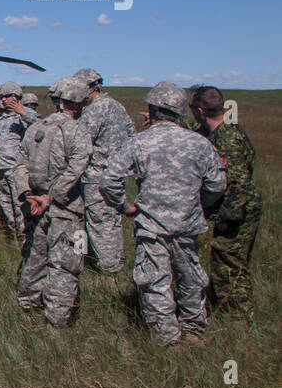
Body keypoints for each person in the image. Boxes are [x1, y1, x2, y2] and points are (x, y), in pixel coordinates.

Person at [101, 83, 226, 346]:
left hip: (151, 227)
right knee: (191, 278)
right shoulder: (199, 143)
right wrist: (196, 204)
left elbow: (109, 181)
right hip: (188, 224)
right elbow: (217, 185)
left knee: (155, 284)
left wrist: (126, 208)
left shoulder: (138, 142)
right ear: (180, 111)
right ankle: (194, 331)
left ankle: (167, 341)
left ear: (151, 109)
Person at [12, 77, 93, 327]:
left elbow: (20, 165)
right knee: (68, 264)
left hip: (36, 207)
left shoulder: (36, 128)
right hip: (67, 210)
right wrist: (51, 197)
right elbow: (76, 169)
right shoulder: (77, 130)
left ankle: (26, 306)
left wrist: (27, 194)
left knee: (34, 259)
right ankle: (57, 321)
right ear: (78, 103)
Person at [189, 87, 262, 319]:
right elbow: (192, 130)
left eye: (191, 109)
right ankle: (230, 310)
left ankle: (238, 317)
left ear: (200, 111)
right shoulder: (216, 130)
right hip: (233, 208)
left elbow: (239, 185)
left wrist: (226, 217)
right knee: (224, 262)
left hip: (238, 210)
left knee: (229, 267)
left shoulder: (228, 138)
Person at [74, 68, 136, 275]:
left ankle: (109, 270)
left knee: (100, 222)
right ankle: (112, 262)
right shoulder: (117, 106)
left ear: (90, 87)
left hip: (96, 175)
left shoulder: (94, 110)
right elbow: (132, 134)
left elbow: (80, 142)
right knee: (110, 220)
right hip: (116, 175)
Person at [0, 81, 39, 237]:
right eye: (1, 97)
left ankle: (26, 236)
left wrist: (23, 113)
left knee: (20, 205)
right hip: (3, 169)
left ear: (16, 96)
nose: (3, 100)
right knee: (6, 204)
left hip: (18, 170)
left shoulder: (25, 116)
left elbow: (42, 125)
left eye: (6, 96)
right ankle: (15, 234)